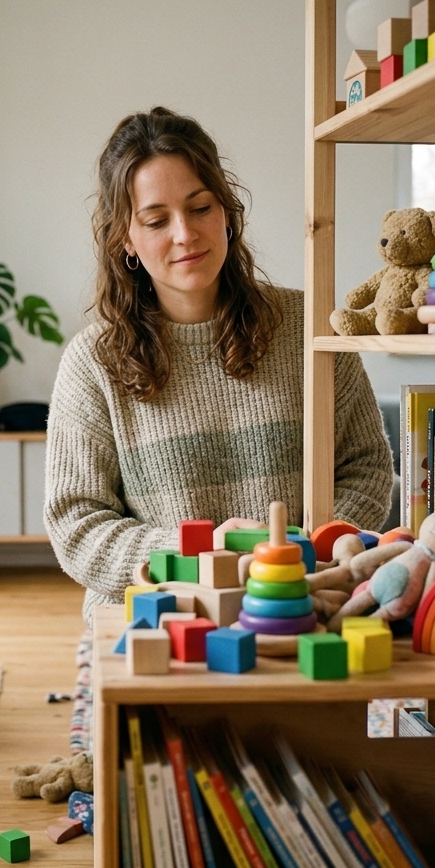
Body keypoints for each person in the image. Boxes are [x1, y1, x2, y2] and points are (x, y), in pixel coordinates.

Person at [45, 107, 393, 627]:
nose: (185, 234)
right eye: (157, 220)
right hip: (156, 625)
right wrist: (204, 558)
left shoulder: (308, 329)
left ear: (227, 211)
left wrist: (288, 563)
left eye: (200, 207)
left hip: (299, 609)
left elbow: (367, 469)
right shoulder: (92, 363)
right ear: (125, 240)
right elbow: (77, 525)